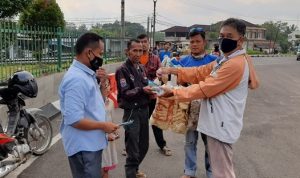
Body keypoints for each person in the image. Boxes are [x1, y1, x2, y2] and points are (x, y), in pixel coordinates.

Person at [157, 18, 259, 178]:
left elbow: (206, 88)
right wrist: (175, 71)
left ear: (241, 40)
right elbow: (200, 71)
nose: (224, 39)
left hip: (220, 125)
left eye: (229, 36)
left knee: (222, 173)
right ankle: (189, 171)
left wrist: (174, 92)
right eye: (221, 35)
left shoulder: (234, 64)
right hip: (215, 122)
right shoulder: (225, 60)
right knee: (215, 164)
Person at [59, 32, 119, 178]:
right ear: (89, 53)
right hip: (84, 148)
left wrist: (102, 82)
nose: (101, 57)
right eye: (101, 53)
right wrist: (104, 126)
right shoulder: (77, 80)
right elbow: (74, 120)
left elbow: (93, 104)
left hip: (90, 144)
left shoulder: (87, 74)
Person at [179, 27, 217, 178]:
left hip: (209, 108)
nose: (194, 44)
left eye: (197, 41)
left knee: (210, 145)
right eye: (191, 41)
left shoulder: (215, 61)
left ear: (204, 42)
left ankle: (211, 172)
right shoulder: (183, 62)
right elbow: (179, 85)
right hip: (189, 109)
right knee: (189, 142)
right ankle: (189, 171)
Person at [115, 39, 155, 178]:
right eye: (135, 50)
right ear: (127, 51)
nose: (138, 53)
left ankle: (135, 169)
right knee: (132, 150)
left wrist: (153, 91)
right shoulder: (122, 70)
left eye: (141, 50)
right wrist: (142, 90)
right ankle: (131, 173)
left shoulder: (141, 67)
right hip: (132, 112)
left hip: (144, 110)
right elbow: (125, 93)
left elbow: (146, 84)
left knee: (144, 146)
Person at [138, 33, 172, 156]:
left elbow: (163, 75)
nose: (142, 44)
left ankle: (162, 145)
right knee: (138, 124)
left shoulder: (155, 58)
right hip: (139, 96)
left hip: (152, 96)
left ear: (148, 43)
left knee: (156, 122)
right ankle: (131, 147)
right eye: (140, 42)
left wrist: (162, 77)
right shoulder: (135, 59)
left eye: (145, 41)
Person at [101, 80, 119, 178]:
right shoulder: (94, 104)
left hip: (109, 141)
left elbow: (112, 119)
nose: (108, 88)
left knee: (105, 170)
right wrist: (106, 135)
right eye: (105, 85)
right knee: (101, 170)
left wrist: (115, 132)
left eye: (108, 85)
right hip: (99, 140)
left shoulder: (110, 102)